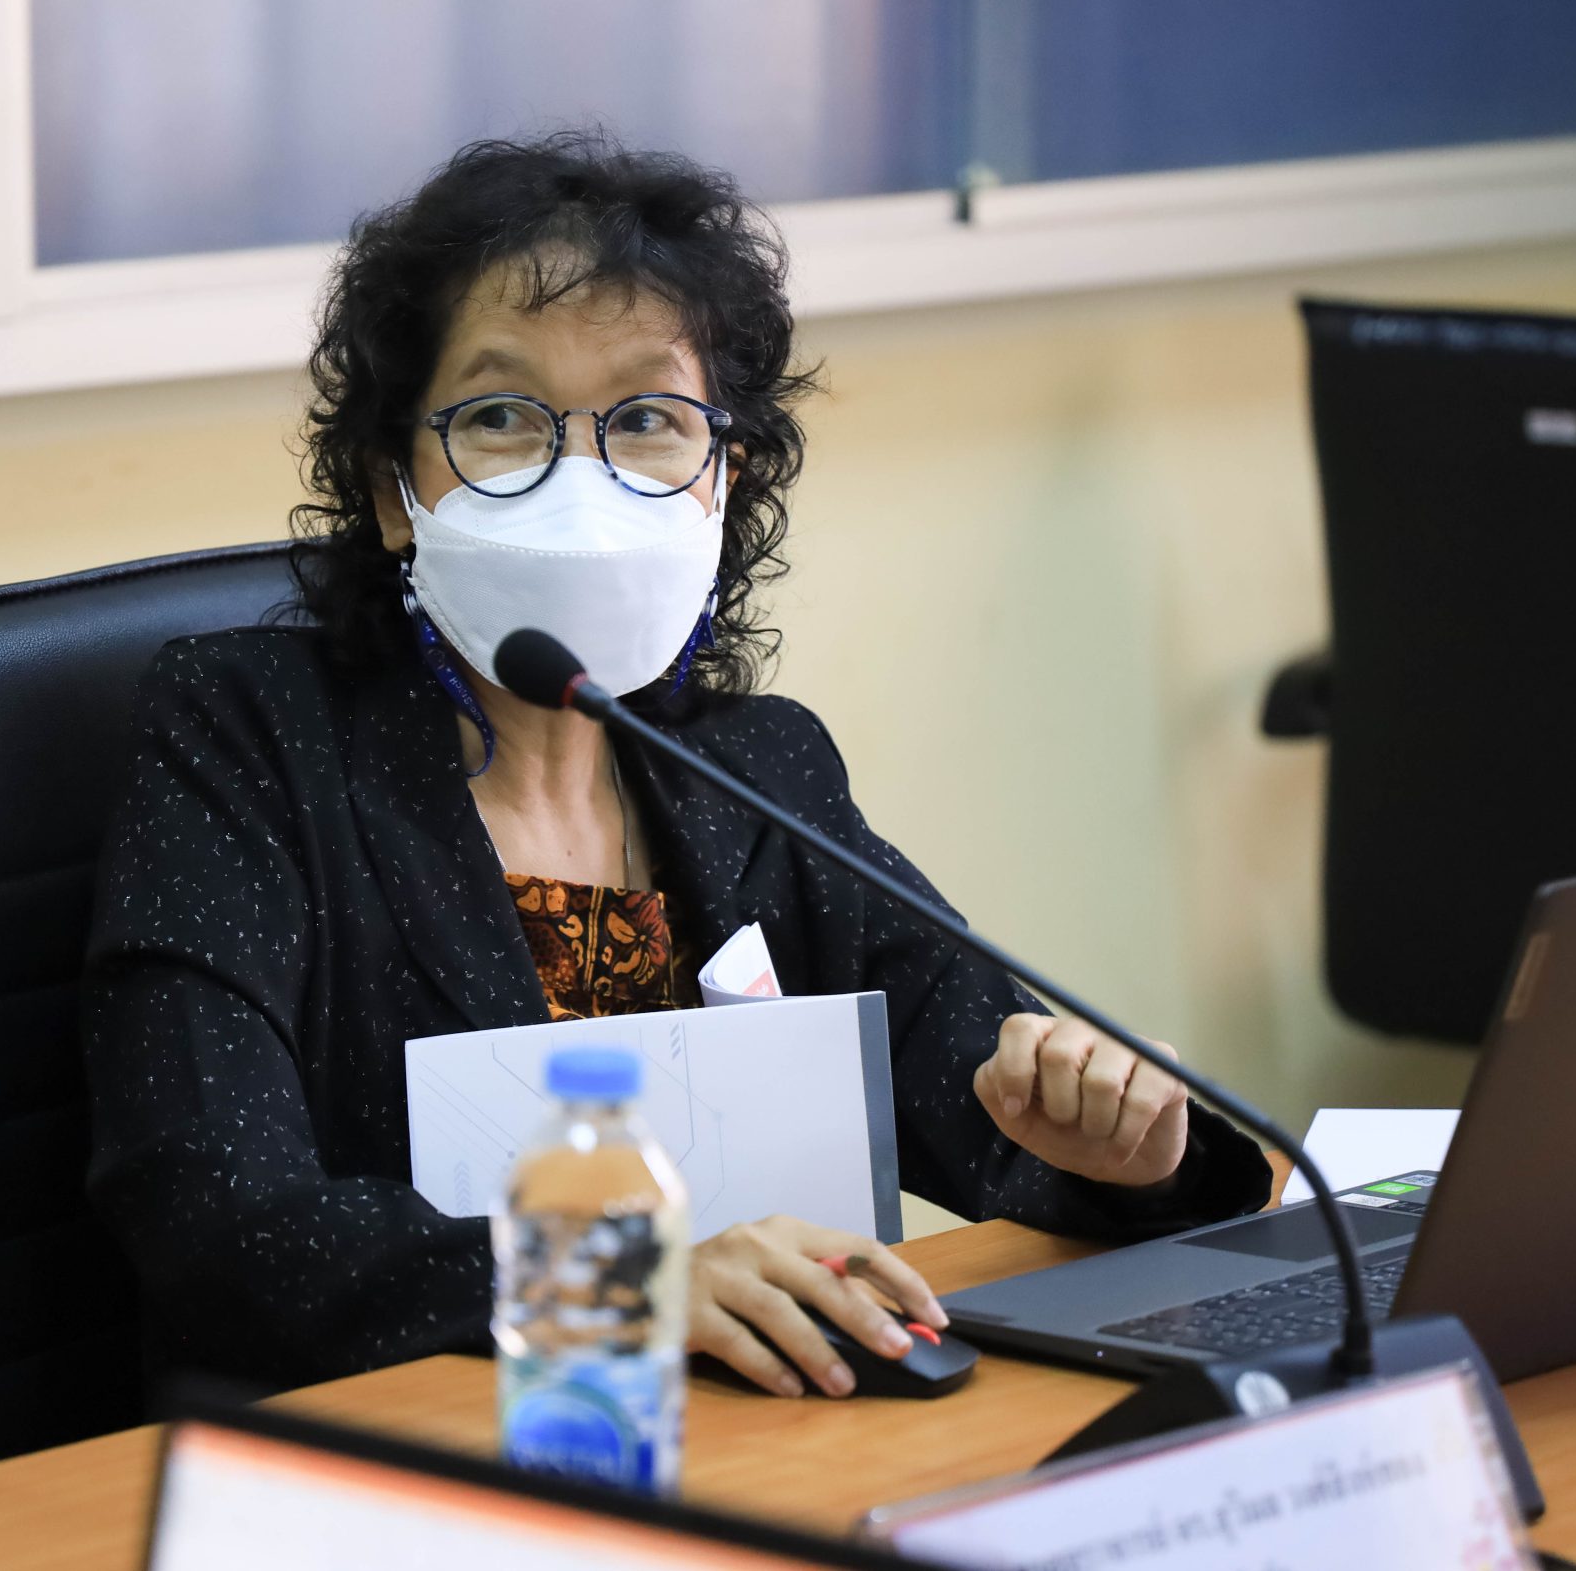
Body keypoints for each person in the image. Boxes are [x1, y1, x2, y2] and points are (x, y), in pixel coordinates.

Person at [81, 133, 1272, 1402]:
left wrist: (1126, 1147)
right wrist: (623, 1282)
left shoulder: (757, 770)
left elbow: (998, 1117)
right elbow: (211, 1209)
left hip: (761, 1435)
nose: (578, 479)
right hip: (409, 1452)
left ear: (719, 483)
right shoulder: (248, 735)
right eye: (499, 417)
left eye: (647, 420)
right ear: (392, 489)